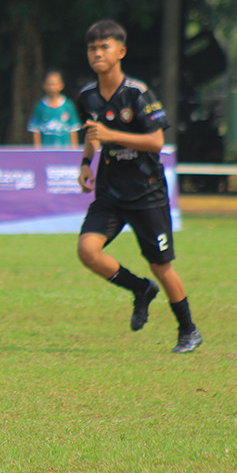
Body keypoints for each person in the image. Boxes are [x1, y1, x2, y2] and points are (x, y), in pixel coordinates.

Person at [75, 20, 202, 354]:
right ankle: (140, 289)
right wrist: (86, 163)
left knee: (161, 266)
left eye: (104, 47)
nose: (97, 53)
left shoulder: (137, 93)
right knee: (87, 250)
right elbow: (92, 133)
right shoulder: (87, 96)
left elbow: (157, 141)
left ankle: (188, 329)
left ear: (121, 51)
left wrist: (112, 136)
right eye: (92, 48)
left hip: (147, 192)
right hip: (110, 191)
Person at [28, 70, 82, 148]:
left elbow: (73, 130)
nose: (51, 87)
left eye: (54, 84)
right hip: (46, 150)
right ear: (44, 85)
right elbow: (36, 131)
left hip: (65, 150)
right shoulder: (39, 107)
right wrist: (37, 151)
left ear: (61, 85)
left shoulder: (68, 105)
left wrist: (74, 150)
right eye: (49, 84)